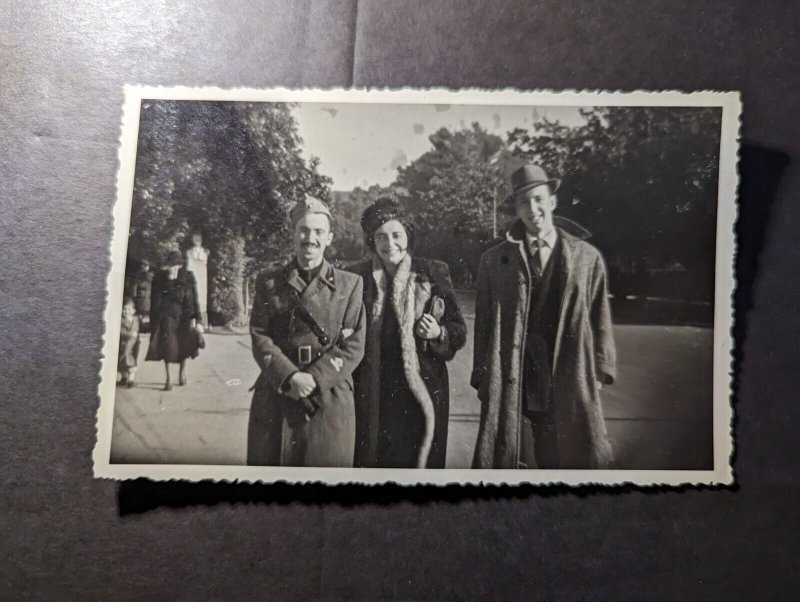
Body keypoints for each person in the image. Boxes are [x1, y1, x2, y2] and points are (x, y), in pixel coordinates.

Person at [471, 164, 617, 469]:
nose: (532, 208)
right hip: (516, 372)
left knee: (574, 452)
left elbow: (599, 315)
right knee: (515, 455)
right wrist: (483, 376)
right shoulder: (494, 260)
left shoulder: (587, 257)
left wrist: (601, 369)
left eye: (538, 199)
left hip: (569, 367)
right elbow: (484, 324)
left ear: (552, 201)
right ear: (516, 209)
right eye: (523, 202)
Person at [247, 197, 366, 467]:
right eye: (303, 230)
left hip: (327, 396)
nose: (310, 238)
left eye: (318, 232)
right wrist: (290, 376)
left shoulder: (350, 285)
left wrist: (311, 379)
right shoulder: (269, 283)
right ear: (293, 233)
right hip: (278, 392)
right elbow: (259, 334)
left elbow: (354, 344)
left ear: (329, 238)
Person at [349, 198, 467, 469]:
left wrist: (439, 332)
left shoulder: (432, 271)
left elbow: (458, 328)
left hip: (424, 385)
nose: (389, 244)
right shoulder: (359, 276)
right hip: (375, 387)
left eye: (396, 235)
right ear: (372, 241)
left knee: (420, 463)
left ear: (407, 236)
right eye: (380, 237)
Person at [145, 251, 203, 391]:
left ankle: (182, 373)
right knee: (167, 346)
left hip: (184, 317)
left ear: (181, 265)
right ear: (167, 266)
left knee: (183, 345)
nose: (174, 268)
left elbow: (194, 299)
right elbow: (155, 301)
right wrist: (153, 322)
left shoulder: (188, 277)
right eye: (171, 265)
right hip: (166, 317)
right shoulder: (160, 279)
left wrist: (198, 320)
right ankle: (168, 378)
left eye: (177, 265)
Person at [117, 297, 140, 388]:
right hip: (123, 344)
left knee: (132, 361)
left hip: (134, 344)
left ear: (133, 311)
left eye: (129, 309)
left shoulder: (135, 319)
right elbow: (120, 332)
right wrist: (129, 334)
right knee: (123, 361)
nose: (126, 311)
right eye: (124, 309)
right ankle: (124, 377)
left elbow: (138, 328)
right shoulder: (121, 321)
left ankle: (131, 380)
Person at [130, 259, 154, 329]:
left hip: (149, 295)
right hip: (142, 295)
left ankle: (145, 325)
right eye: (144, 265)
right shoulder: (139, 274)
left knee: (147, 311)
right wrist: (134, 294)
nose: (145, 267)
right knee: (140, 310)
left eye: (146, 266)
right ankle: (140, 324)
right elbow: (135, 285)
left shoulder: (150, 274)